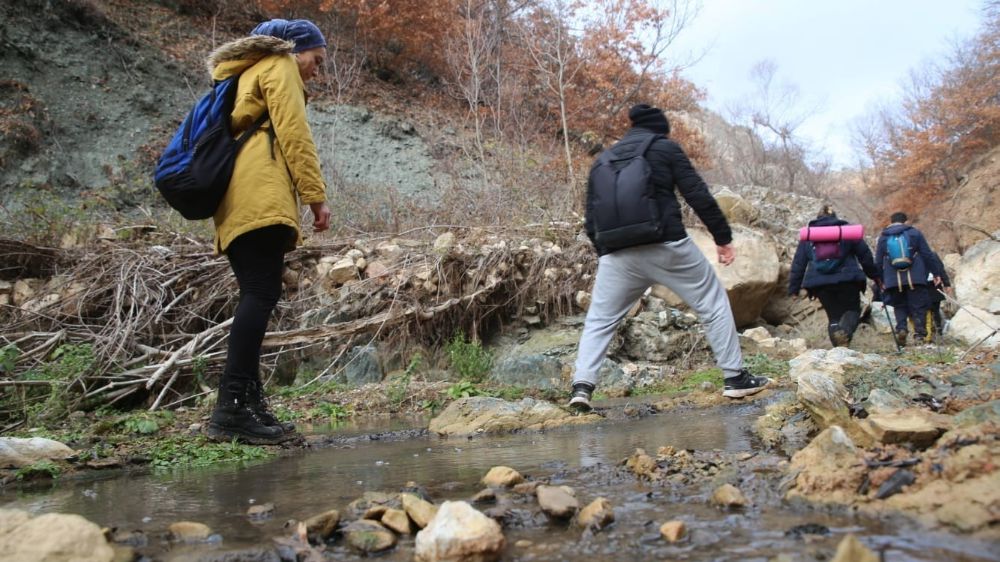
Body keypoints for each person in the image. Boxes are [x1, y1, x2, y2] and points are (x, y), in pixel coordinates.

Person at [568, 104, 770, 411]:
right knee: (712, 302)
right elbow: (697, 194)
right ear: (660, 128)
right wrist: (723, 238)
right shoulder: (665, 149)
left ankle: (582, 387)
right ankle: (735, 378)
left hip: (616, 254)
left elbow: (591, 216)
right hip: (666, 244)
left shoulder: (603, 160)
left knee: (599, 320)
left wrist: (606, 253)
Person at [206, 19, 332, 444]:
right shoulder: (279, 66)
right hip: (259, 195)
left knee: (257, 294)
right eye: (315, 59)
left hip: (235, 199)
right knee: (260, 294)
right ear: (296, 50)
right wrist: (316, 198)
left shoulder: (245, 75)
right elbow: (295, 134)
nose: (317, 69)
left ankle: (249, 405)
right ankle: (231, 410)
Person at [788, 205, 879, 347]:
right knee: (853, 310)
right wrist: (876, 277)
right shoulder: (847, 232)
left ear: (817, 218)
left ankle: (839, 347)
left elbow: (798, 264)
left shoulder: (809, 236)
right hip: (847, 279)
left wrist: (794, 288)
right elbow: (865, 256)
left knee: (834, 316)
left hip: (819, 283)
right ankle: (844, 334)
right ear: (835, 217)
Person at [874, 212, 943, 347]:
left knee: (899, 306)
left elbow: (877, 261)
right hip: (915, 277)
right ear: (905, 221)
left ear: (891, 221)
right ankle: (919, 335)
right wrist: (936, 273)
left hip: (893, 280)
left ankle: (901, 329)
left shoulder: (883, 237)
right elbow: (927, 254)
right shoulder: (914, 233)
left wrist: (880, 280)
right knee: (918, 306)